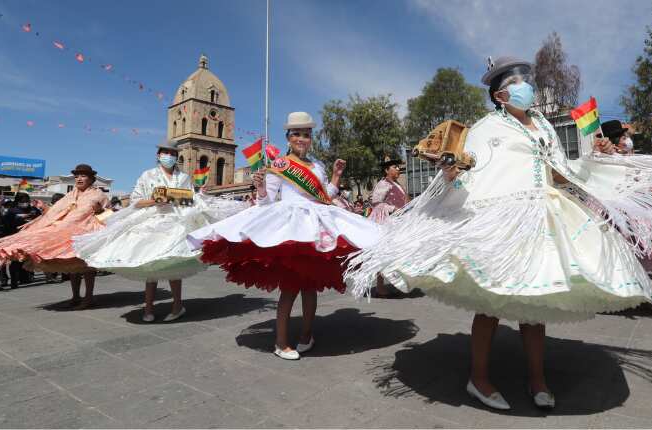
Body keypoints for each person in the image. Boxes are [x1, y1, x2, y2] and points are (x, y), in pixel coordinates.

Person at [345, 55, 652, 411]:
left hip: (545, 215)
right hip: (501, 223)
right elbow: (465, 178)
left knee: (535, 303)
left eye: (525, 79)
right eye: (515, 82)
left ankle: (538, 379)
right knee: (490, 303)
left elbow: (558, 170)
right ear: (499, 94)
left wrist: (597, 162)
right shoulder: (485, 129)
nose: (525, 86)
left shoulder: (543, 125)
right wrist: (452, 169)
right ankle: (479, 377)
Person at [187, 111, 379, 360]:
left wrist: (336, 176)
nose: (302, 139)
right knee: (289, 288)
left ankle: (307, 334)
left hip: (316, 224)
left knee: (310, 287)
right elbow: (266, 203)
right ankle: (280, 342)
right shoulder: (279, 164)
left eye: (307, 135)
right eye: (297, 134)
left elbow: (325, 196)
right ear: (288, 138)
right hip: (290, 226)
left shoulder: (317, 165)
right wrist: (260, 187)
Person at [74, 141, 245, 322]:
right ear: (158, 155)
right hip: (152, 221)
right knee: (151, 264)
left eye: (172, 153)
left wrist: (192, 196)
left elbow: (189, 199)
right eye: (166, 153)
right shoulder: (148, 175)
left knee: (174, 263)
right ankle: (148, 308)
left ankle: (177, 305)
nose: (169, 156)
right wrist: (155, 200)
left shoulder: (184, 177)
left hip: (177, 221)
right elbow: (136, 201)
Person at [0, 166, 107, 305]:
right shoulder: (70, 195)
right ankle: (76, 297)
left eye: (83, 175)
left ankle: (88, 297)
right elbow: (55, 212)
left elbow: (98, 213)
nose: (79, 178)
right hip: (66, 234)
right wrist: (46, 211)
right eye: (77, 176)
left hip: (87, 232)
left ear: (91, 179)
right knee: (72, 267)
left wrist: (99, 210)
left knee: (87, 267)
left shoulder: (98, 195)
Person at [369, 157, 410, 297]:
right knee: (383, 254)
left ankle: (396, 284)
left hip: (399, 223)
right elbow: (376, 203)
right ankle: (380, 287)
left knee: (397, 254)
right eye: (395, 167)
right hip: (387, 224)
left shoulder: (397, 184)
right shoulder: (383, 184)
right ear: (386, 170)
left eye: (398, 167)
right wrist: (393, 208)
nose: (398, 169)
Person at [0, 192, 42, 289]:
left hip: (30, 238)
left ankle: (25, 277)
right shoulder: (12, 211)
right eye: (22, 201)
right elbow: (6, 224)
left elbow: (41, 219)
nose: (25, 203)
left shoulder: (33, 210)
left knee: (27, 259)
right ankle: (14, 281)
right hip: (15, 238)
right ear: (17, 201)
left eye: (27, 201)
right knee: (15, 260)